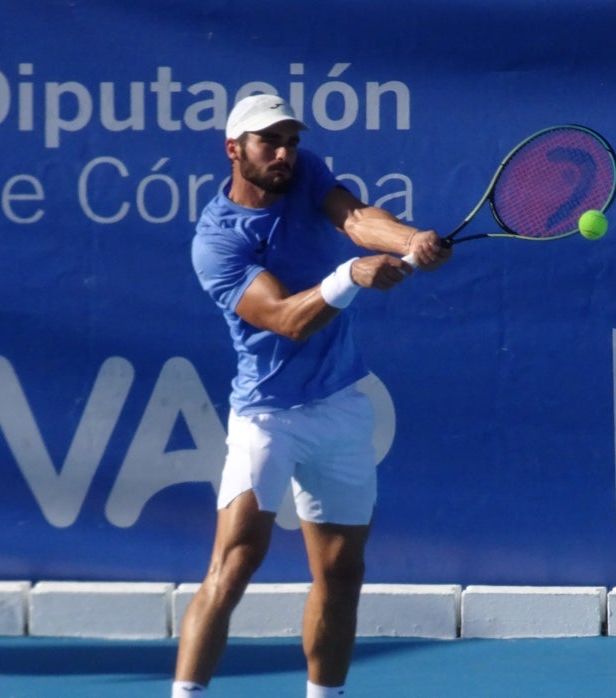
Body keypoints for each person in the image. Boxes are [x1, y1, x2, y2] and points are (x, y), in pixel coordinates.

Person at [173, 94, 451, 698]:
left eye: (291, 141)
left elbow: (354, 219)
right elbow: (284, 318)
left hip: (343, 408)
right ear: (233, 150)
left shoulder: (305, 175)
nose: (284, 153)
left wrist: (410, 240)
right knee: (235, 564)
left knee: (342, 572)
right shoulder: (216, 241)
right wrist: (350, 275)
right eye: (268, 142)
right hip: (266, 418)